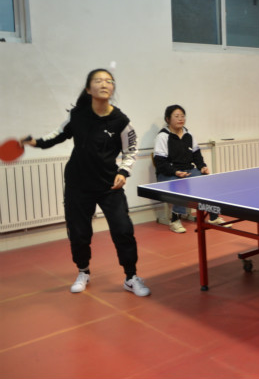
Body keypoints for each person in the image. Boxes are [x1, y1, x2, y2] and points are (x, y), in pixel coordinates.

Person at [21, 68, 150, 296]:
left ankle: (131, 277)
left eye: (109, 81)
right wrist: (36, 142)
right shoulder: (77, 115)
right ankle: (83, 271)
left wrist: (124, 171)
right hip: (78, 185)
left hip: (109, 185)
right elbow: (57, 135)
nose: (104, 84)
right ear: (89, 89)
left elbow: (131, 149)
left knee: (123, 229)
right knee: (79, 233)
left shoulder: (121, 121)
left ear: (112, 88)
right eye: (98, 80)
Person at [153, 105, 227, 233]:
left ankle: (213, 217)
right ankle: (175, 220)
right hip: (168, 174)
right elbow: (160, 162)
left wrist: (202, 166)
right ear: (168, 119)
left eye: (182, 116)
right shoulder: (163, 136)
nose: (180, 119)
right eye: (176, 116)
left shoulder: (188, 134)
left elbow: (196, 154)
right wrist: (175, 172)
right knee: (182, 184)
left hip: (187, 171)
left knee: (208, 180)